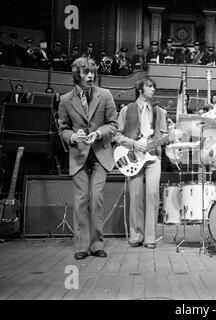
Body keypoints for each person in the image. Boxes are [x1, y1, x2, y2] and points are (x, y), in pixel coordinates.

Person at [58, 57, 118, 260]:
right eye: (86, 72)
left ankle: (97, 244)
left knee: (96, 198)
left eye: (92, 72)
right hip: (78, 155)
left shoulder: (106, 95)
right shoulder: (66, 100)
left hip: (100, 154)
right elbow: (62, 129)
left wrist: (99, 133)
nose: (90, 75)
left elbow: (113, 124)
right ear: (78, 75)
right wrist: (73, 136)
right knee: (81, 200)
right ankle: (82, 246)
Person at [113, 78, 174, 248]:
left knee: (153, 196)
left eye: (154, 86)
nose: (153, 89)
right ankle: (136, 236)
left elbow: (164, 136)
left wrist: (170, 137)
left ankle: (150, 237)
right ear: (140, 89)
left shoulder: (159, 111)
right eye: (149, 86)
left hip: (153, 158)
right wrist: (134, 144)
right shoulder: (127, 110)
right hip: (133, 157)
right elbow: (116, 135)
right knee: (136, 196)